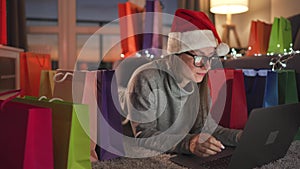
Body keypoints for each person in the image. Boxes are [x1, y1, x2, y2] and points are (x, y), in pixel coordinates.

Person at [119, 9, 243, 158]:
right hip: (129, 147)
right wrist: (189, 143)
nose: (207, 66)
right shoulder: (146, 77)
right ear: (177, 54)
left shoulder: (199, 79)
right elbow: (143, 134)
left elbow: (209, 129)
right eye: (199, 58)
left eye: (210, 58)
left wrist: (241, 137)